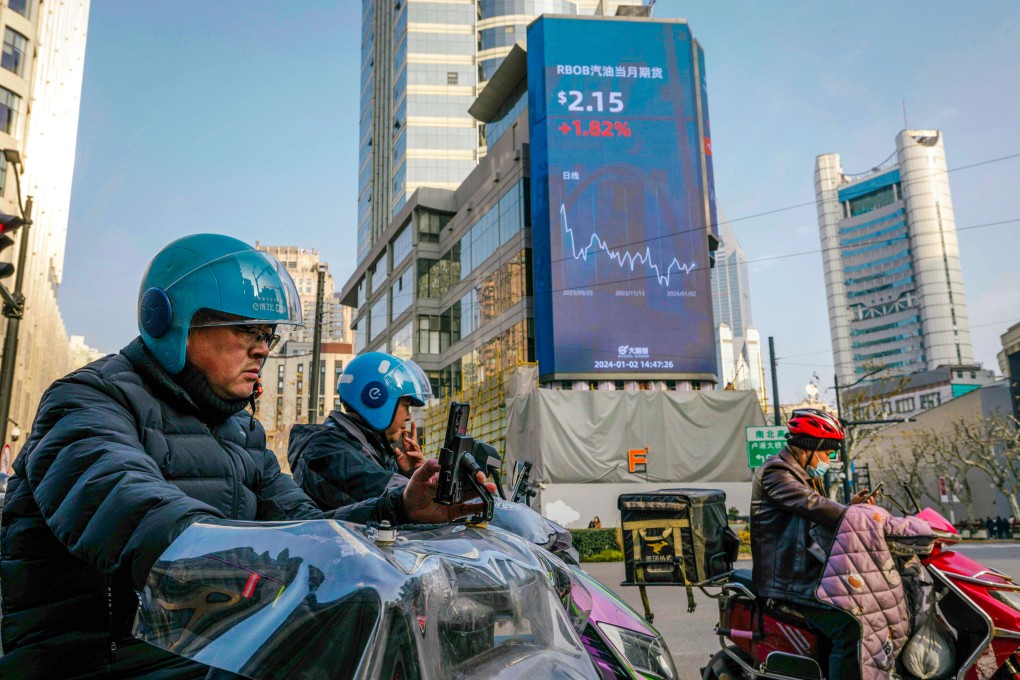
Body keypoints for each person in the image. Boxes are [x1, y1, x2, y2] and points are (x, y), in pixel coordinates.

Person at [0, 234, 491, 680]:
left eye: (269, 336)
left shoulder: (240, 430)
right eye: (248, 330)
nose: (262, 349)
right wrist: (261, 574)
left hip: (211, 647)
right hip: (103, 658)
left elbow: (309, 525)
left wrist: (402, 510)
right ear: (171, 320)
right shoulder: (87, 402)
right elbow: (128, 507)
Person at [751, 408, 873, 680]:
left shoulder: (804, 473)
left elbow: (819, 511)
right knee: (851, 627)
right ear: (812, 446)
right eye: (828, 452)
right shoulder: (776, 472)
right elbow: (812, 504)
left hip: (807, 574)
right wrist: (858, 515)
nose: (829, 459)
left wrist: (850, 507)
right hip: (787, 580)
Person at [289, 351, 427, 508]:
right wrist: (423, 486)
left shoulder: (371, 448)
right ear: (376, 397)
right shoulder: (327, 449)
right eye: (406, 406)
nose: (408, 417)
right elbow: (381, 493)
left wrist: (410, 472)